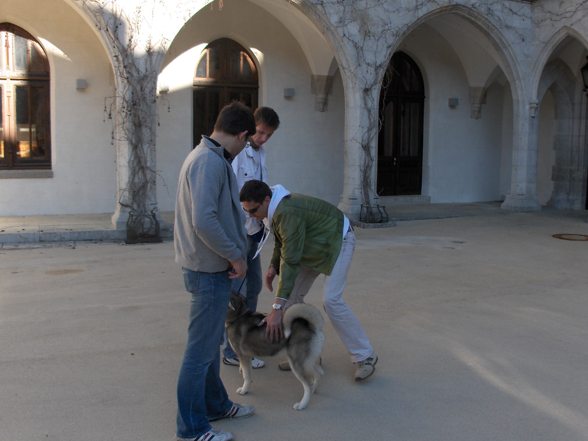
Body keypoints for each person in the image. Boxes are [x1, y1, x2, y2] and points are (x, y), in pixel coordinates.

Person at [239, 180, 379, 382]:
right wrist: (272, 266)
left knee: (332, 300)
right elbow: (281, 239)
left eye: (252, 210)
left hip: (338, 240)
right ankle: (309, 356)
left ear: (266, 199)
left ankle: (365, 356)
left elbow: (292, 259)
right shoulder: (275, 209)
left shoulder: (287, 211)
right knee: (290, 300)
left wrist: (276, 308)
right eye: (247, 212)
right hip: (313, 244)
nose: (251, 216)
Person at [174, 102, 257, 441]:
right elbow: (204, 220)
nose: (244, 149)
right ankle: (192, 429)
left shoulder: (208, 156)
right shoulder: (208, 161)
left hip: (208, 270)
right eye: (246, 141)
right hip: (208, 272)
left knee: (208, 348)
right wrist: (236, 256)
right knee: (198, 354)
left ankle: (216, 405)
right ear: (241, 134)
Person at [222, 107, 280, 369]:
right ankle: (233, 350)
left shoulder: (261, 155)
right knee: (236, 292)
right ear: (250, 128)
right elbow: (230, 194)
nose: (262, 138)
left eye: (268, 135)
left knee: (254, 287)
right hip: (241, 231)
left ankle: (247, 342)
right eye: (259, 132)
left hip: (257, 233)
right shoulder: (237, 155)